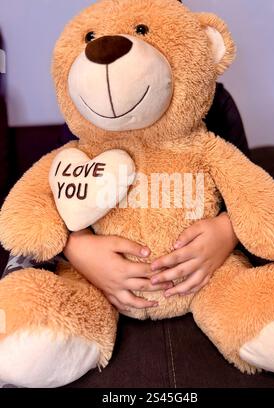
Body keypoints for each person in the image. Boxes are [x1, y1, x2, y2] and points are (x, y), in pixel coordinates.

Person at [3, 83, 250, 312]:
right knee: (27, 257)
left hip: (202, 274)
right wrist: (78, 246)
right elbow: (58, 191)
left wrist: (228, 230)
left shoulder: (214, 100)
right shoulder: (88, 102)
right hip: (96, 258)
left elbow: (249, 189)